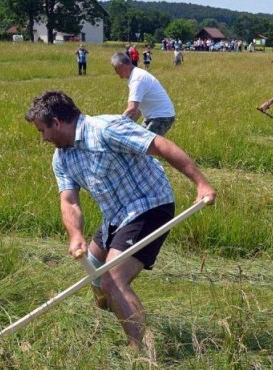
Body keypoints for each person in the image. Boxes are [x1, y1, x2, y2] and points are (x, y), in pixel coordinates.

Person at [25, 90, 216, 351]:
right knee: (93, 270)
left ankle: (140, 352)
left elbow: (160, 144)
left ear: (56, 123)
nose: (43, 138)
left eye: (42, 131)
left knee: (112, 279)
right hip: (115, 215)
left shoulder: (106, 128)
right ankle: (105, 314)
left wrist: (202, 184)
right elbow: (69, 200)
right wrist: (75, 235)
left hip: (149, 206)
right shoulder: (62, 157)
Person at [111, 52, 176, 136]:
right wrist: (128, 125)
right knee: (138, 142)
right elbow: (137, 109)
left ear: (122, 65)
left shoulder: (137, 79)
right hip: (153, 116)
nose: (116, 72)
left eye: (115, 68)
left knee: (146, 146)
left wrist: (117, 126)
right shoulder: (134, 76)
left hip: (162, 117)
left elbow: (132, 108)